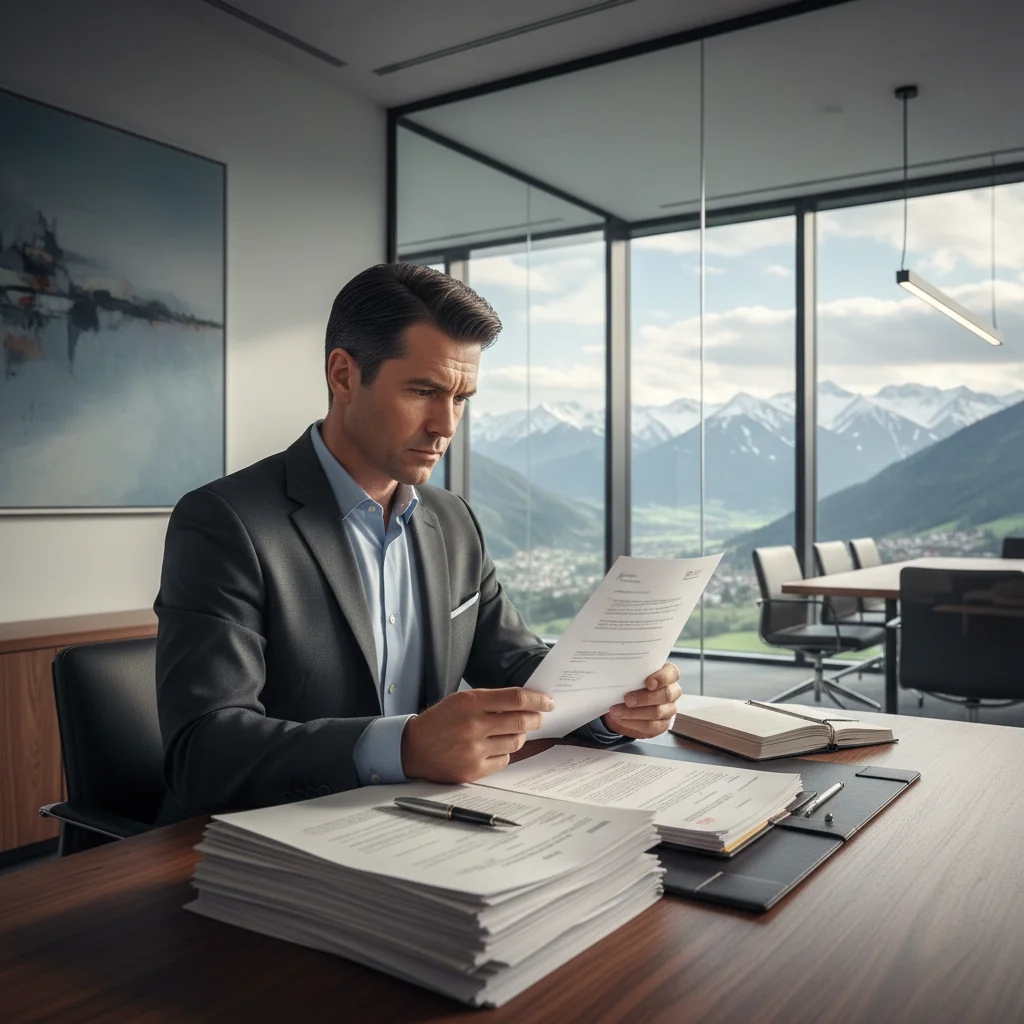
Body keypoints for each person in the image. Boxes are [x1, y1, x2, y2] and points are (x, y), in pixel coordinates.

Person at [154, 264, 681, 821]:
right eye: (424, 391)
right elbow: (203, 752)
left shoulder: (453, 521)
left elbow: (515, 664)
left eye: (461, 398)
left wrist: (611, 705)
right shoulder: (225, 522)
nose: (445, 425)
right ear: (343, 375)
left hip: (421, 822)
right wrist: (404, 747)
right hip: (266, 836)